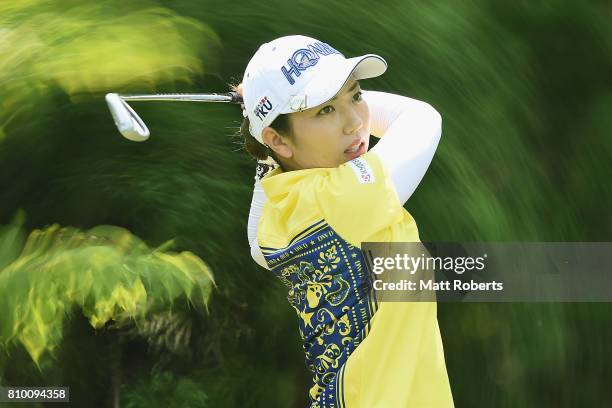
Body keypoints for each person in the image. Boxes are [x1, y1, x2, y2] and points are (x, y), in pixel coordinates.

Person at [237, 35, 454, 407]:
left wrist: (266, 136)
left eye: (356, 96)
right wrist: (263, 125)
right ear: (279, 139)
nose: (355, 123)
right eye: (325, 110)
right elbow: (422, 118)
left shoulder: (285, 202)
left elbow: (257, 246)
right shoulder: (344, 197)